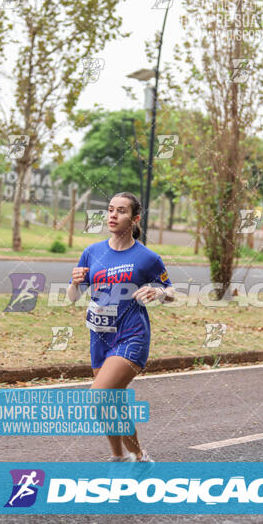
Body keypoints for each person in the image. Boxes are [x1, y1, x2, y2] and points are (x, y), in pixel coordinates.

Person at [67, 192, 175, 461]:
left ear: (135, 219)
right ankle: (128, 456)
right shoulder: (91, 252)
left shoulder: (147, 258)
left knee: (98, 397)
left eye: (122, 211)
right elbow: (72, 298)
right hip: (99, 337)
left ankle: (132, 456)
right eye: (111, 209)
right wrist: (75, 282)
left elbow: (171, 291)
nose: (113, 215)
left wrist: (157, 292)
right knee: (112, 403)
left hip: (131, 337)